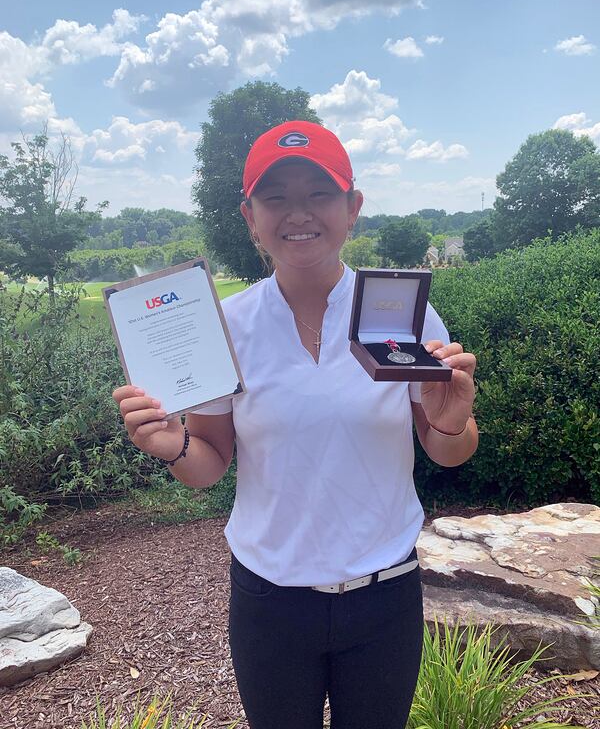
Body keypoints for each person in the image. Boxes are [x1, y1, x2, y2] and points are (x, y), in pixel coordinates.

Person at [112, 120, 478, 729]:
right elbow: (208, 463)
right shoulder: (226, 327)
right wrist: (172, 445)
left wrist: (449, 424)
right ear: (249, 215)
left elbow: (450, 452)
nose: (298, 213)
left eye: (319, 194)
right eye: (275, 197)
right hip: (270, 600)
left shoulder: (403, 312)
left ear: (352, 207)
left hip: (385, 591)